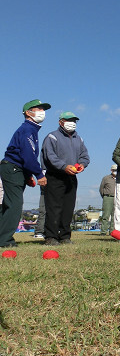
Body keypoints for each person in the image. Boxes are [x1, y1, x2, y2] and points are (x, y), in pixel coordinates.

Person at [0, 100, 50, 248]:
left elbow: (26, 156)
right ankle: (4, 240)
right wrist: (39, 174)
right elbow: (28, 156)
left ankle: (2, 237)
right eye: (39, 109)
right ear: (28, 113)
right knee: (14, 205)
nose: (42, 111)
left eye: (43, 109)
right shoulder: (28, 129)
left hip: (15, 168)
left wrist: (28, 175)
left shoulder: (31, 129)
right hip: (13, 168)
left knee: (8, 204)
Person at [41, 111, 90, 245]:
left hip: (71, 177)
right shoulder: (52, 137)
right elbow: (49, 156)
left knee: (68, 208)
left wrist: (82, 164)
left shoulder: (78, 139)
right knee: (54, 207)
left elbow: (85, 156)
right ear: (60, 122)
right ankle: (51, 236)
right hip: (55, 176)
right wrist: (63, 166)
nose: (72, 123)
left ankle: (65, 236)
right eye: (69, 120)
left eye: (74, 120)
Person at [99, 165, 117, 234]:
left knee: (114, 216)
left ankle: (112, 231)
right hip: (107, 197)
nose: (115, 171)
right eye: (114, 170)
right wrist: (104, 196)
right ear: (111, 170)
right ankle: (103, 231)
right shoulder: (106, 178)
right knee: (106, 215)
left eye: (116, 170)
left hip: (116, 198)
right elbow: (101, 189)